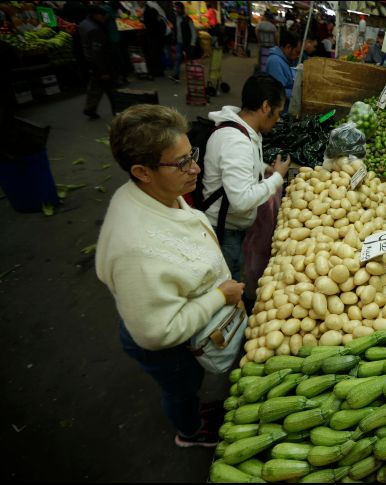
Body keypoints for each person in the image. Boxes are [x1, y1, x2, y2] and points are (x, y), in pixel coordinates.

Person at [95, 104, 245, 448]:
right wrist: (220, 297)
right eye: (181, 162)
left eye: (191, 153)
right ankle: (189, 431)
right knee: (181, 386)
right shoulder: (135, 248)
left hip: (162, 310)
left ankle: (192, 411)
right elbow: (156, 333)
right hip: (162, 341)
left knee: (187, 384)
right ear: (142, 171)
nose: (195, 167)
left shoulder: (161, 193)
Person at [202, 73, 290, 292]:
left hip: (231, 228)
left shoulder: (242, 131)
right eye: (278, 113)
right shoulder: (236, 141)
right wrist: (277, 178)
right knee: (228, 289)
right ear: (265, 106)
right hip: (224, 232)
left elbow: (237, 166)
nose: (278, 119)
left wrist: (263, 168)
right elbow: (241, 201)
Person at [79, 4, 115, 119]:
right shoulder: (95, 30)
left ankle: (90, 108)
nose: (104, 19)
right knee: (111, 88)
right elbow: (97, 52)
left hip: (90, 60)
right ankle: (118, 110)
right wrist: (103, 70)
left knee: (95, 85)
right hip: (100, 62)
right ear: (96, 15)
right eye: (102, 16)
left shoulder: (84, 23)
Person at [264, 30, 301, 110]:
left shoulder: (283, 60)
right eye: (297, 52)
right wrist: (298, 93)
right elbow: (278, 92)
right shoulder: (275, 62)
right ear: (288, 47)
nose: (298, 56)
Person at [169, 1, 198, 83]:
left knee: (190, 59)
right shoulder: (175, 19)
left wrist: (192, 43)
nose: (176, 9)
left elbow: (193, 32)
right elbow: (176, 30)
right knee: (178, 59)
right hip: (179, 42)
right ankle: (176, 75)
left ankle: (195, 75)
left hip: (188, 43)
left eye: (177, 8)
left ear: (182, 9)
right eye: (175, 8)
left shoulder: (188, 19)